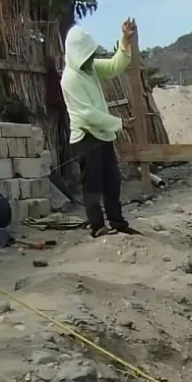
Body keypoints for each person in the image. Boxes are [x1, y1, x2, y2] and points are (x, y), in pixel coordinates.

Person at [61, 18, 137, 238]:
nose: (91, 59)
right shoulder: (70, 79)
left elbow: (115, 66)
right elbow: (87, 114)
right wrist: (119, 123)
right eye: (87, 55)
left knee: (112, 181)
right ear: (76, 54)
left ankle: (117, 222)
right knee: (92, 185)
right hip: (86, 138)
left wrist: (125, 40)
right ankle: (98, 227)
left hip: (102, 135)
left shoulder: (90, 68)